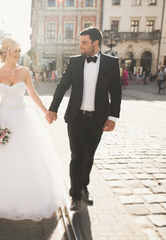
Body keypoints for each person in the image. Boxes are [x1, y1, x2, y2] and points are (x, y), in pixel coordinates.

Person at [0, 36, 66, 221]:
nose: (19, 54)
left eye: (19, 51)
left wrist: (46, 112)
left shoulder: (25, 72)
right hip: (4, 117)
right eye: (16, 51)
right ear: (6, 53)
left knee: (27, 156)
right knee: (1, 157)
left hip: (23, 117)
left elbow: (33, 94)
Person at [45, 27, 122, 210]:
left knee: (89, 157)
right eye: (80, 42)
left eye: (84, 42)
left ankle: (84, 186)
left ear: (95, 43)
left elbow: (116, 92)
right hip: (76, 118)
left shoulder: (111, 63)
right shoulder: (74, 62)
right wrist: (53, 109)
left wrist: (112, 117)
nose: (80, 46)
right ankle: (74, 194)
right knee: (77, 156)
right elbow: (62, 86)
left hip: (98, 119)